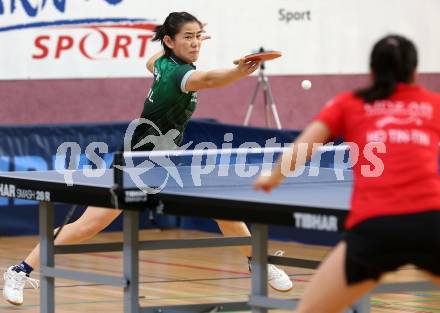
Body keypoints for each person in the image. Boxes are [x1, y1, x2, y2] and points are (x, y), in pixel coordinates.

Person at [3, 12, 292, 306]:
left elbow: (150, 61)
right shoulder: (180, 75)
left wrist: (179, 39)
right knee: (86, 227)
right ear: (169, 40)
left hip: (171, 163)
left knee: (225, 211)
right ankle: (19, 270)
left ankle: (257, 261)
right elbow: (209, 79)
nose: (195, 43)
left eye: (197, 36)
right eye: (187, 37)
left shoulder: (163, 63)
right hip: (137, 165)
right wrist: (240, 72)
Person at [254, 34, 440, 313]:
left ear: (372, 71)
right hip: (431, 223)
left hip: (374, 229)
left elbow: (304, 146)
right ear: (414, 71)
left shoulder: (349, 103)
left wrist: (273, 177)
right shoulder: (433, 104)